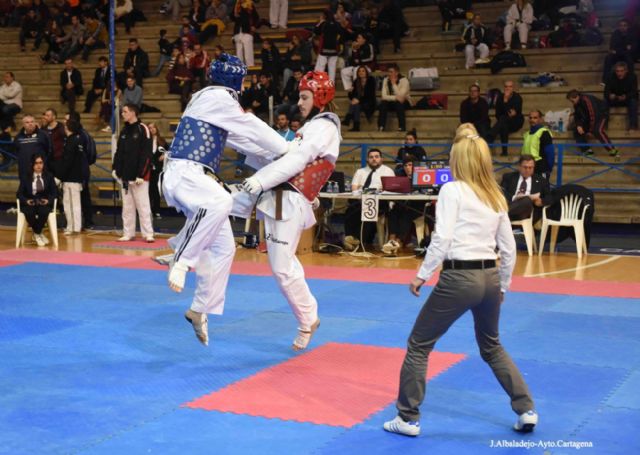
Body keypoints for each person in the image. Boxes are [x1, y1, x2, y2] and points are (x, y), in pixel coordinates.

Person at [383, 132, 537, 438]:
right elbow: (509, 249)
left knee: (419, 345)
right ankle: (526, 409)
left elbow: (441, 238)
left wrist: (422, 274)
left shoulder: (452, 190)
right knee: (491, 345)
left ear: (460, 160)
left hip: (459, 278)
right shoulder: (494, 194)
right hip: (490, 278)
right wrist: (503, 286)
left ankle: (407, 417)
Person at [161, 53, 289, 346]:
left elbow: (241, 140)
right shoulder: (218, 100)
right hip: (185, 173)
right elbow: (252, 127)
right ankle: (180, 259)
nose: (244, 85)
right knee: (220, 202)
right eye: (242, 79)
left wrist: (278, 157)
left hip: (191, 176)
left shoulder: (210, 102)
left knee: (224, 248)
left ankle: (199, 309)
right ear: (234, 79)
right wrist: (285, 148)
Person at [239, 70, 341, 351]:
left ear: (321, 97)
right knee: (281, 265)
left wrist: (260, 179)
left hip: (289, 198)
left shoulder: (325, 126)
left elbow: (298, 159)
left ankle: (308, 318)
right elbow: (286, 157)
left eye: (306, 96)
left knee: (282, 267)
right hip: (278, 197)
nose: (300, 102)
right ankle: (183, 252)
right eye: (300, 96)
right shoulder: (312, 127)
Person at [112, 103, 155, 242]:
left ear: (132, 113)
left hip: (139, 177)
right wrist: (116, 169)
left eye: (124, 111)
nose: (122, 114)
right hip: (125, 176)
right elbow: (119, 152)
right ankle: (128, 232)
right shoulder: (124, 131)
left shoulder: (143, 129)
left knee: (143, 206)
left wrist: (141, 174)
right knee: (127, 207)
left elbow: (147, 154)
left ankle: (148, 233)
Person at [343, 148, 395, 250]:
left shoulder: (388, 171)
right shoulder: (360, 172)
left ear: (381, 159)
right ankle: (351, 238)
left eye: (376, 157)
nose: (374, 159)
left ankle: (360, 242)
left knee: (369, 210)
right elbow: (354, 188)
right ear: (367, 160)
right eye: (371, 157)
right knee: (349, 211)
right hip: (360, 200)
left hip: (380, 202)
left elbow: (391, 189)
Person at [16, 153, 57, 247]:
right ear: (32, 165)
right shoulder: (26, 177)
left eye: (41, 163)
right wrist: (26, 201)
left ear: (43, 164)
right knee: (29, 212)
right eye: (36, 163)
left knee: (44, 211)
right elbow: (19, 194)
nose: (39, 165)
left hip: (43, 201)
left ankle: (36, 233)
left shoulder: (49, 176)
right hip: (30, 201)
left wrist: (48, 200)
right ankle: (38, 233)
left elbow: (54, 192)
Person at [566, 89, 618, 157]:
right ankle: (587, 151)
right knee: (577, 131)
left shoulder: (587, 100)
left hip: (601, 115)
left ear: (577, 96)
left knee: (598, 131)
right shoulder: (576, 104)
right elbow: (577, 116)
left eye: (572, 101)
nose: (572, 103)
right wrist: (579, 125)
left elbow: (593, 115)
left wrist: (590, 131)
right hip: (589, 119)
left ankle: (613, 150)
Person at [501, 154, 551, 223]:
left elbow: (548, 197)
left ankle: (501, 216)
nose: (527, 170)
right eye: (525, 167)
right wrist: (514, 197)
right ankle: (504, 216)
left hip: (528, 211)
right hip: (511, 205)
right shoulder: (508, 177)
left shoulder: (541, 181)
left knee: (526, 201)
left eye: (530, 168)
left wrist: (540, 201)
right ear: (519, 167)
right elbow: (502, 193)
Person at [60, 119, 85, 235]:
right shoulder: (78, 139)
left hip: (71, 178)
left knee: (70, 203)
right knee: (74, 203)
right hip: (76, 177)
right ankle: (74, 226)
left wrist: (60, 176)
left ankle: (73, 227)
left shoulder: (71, 141)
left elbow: (67, 161)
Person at [488, 80, 524, 156]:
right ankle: (504, 152)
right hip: (504, 122)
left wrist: (505, 101)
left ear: (513, 88)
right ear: (503, 88)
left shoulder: (517, 98)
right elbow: (497, 114)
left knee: (503, 119)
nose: (508, 88)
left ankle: (490, 136)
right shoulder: (500, 97)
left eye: (510, 86)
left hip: (516, 122)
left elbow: (511, 114)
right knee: (503, 124)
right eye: (506, 86)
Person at [15, 114, 52, 183]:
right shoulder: (18, 137)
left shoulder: (43, 135)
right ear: (23, 124)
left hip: (40, 172)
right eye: (27, 122)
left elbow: (49, 151)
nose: (30, 124)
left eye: (32, 122)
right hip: (24, 172)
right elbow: (16, 152)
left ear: (35, 123)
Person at [604, 62, 638, 132]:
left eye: (622, 71)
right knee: (605, 102)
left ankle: (633, 126)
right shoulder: (610, 77)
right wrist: (610, 95)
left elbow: (634, 92)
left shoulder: (632, 77)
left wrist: (626, 96)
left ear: (626, 71)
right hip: (615, 99)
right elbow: (606, 92)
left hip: (627, 99)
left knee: (633, 101)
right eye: (617, 71)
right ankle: (603, 125)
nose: (619, 73)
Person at [378, 64, 411, 132]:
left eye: (391, 72)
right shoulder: (385, 79)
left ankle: (402, 127)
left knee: (399, 103)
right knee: (383, 103)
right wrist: (396, 98)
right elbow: (384, 96)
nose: (389, 74)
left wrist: (393, 84)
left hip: (404, 102)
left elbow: (401, 96)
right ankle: (381, 127)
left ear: (397, 73)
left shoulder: (404, 80)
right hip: (393, 101)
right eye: (388, 72)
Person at [343, 65, 376, 132]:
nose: (361, 72)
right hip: (359, 102)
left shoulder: (371, 80)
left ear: (366, 72)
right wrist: (350, 92)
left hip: (369, 102)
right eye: (359, 71)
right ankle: (355, 126)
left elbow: (370, 95)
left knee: (356, 104)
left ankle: (348, 119)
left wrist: (358, 100)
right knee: (356, 105)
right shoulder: (356, 81)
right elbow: (352, 96)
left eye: (363, 71)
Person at [602, 19, 636, 84]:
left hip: (628, 55)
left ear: (628, 26)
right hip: (618, 55)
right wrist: (625, 47)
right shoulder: (615, 34)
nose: (622, 27)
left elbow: (633, 48)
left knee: (628, 58)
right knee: (608, 58)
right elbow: (612, 47)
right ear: (618, 27)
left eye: (624, 25)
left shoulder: (632, 34)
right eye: (621, 25)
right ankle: (606, 81)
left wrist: (618, 50)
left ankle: (631, 80)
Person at [522, 110, 554, 177]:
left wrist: (548, 169)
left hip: (540, 168)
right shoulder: (526, 134)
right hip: (527, 168)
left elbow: (550, 153)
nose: (532, 120)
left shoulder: (544, 133)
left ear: (541, 119)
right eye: (530, 118)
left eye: (535, 118)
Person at [148, 122, 167, 218]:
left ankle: (156, 210)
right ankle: (148, 211)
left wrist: (165, 155)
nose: (152, 129)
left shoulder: (162, 140)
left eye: (153, 127)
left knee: (156, 190)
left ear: (156, 128)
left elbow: (168, 151)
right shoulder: (146, 140)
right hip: (148, 169)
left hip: (158, 169)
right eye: (150, 128)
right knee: (148, 190)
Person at [231, 0, 259, 66]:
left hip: (247, 31)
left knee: (248, 52)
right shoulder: (237, 4)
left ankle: (250, 68)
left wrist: (254, 26)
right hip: (238, 31)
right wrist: (235, 12)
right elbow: (232, 17)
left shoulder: (250, 4)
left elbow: (256, 17)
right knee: (239, 52)